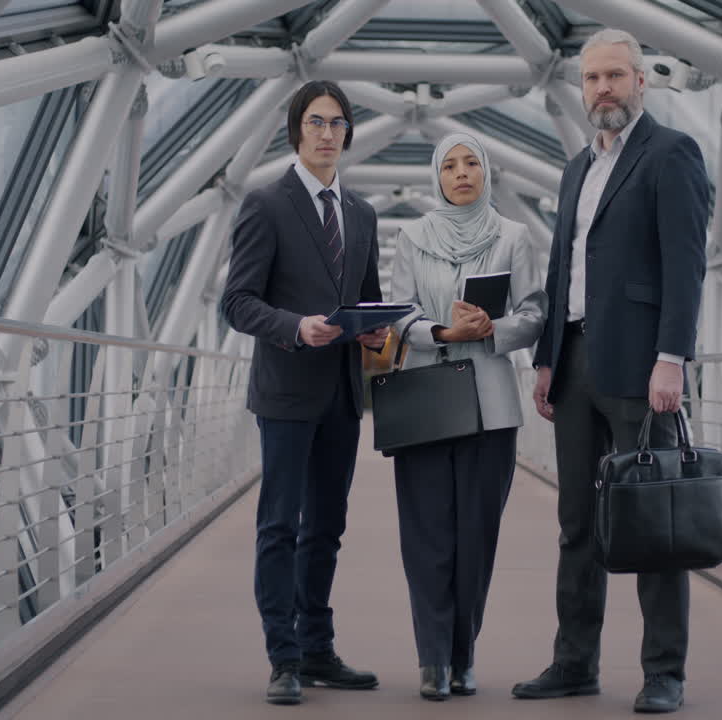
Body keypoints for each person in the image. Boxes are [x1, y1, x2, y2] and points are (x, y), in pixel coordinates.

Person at [512, 28, 709, 714]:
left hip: (639, 367)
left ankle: (664, 673)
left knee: (652, 521)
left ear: (640, 82)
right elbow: (565, 271)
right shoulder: (576, 168)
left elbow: (686, 266)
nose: (602, 89)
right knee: (577, 523)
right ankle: (574, 662)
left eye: (614, 77)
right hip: (574, 366)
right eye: (592, 78)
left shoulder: (671, 154)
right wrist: (546, 360)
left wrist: (671, 359)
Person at [219, 80, 389, 706]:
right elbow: (236, 302)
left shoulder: (362, 213)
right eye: (315, 122)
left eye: (337, 123)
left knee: (326, 528)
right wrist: (294, 327)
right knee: (280, 527)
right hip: (287, 393)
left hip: (342, 395)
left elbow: (365, 301)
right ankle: (283, 658)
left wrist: (373, 334)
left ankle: (318, 649)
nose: (326, 133)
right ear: (297, 130)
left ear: (348, 132)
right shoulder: (267, 204)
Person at [388, 132, 547, 701]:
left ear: (486, 171)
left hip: (490, 404)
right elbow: (398, 314)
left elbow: (534, 313)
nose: (461, 173)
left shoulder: (514, 237)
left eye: (471, 162)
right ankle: (431, 659)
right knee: (426, 536)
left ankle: (463, 655)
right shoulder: (411, 236)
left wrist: (492, 330)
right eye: (450, 165)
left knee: (476, 537)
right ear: (437, 175)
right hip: (426, 401)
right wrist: (441, 332)